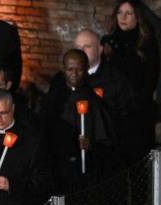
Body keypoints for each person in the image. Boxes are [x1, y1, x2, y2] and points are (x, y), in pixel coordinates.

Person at [41, 49, 117, 189]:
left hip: (84, 170)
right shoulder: (53, 98)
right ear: (63, 69)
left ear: (87, 69)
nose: (74, 75)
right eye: (70, 69)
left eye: (79, 70)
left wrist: (91, 145)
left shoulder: (94, 101)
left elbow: (107, 141)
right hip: (57, 167)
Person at [102, 0, 158, 162]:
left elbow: (151, 79)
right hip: (114, 106)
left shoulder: (146, 43)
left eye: (128, 13)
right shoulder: (109, 42)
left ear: (137, 17)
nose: (123, 17)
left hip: (138, 107)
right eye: (120, 12)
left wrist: (136, 103)